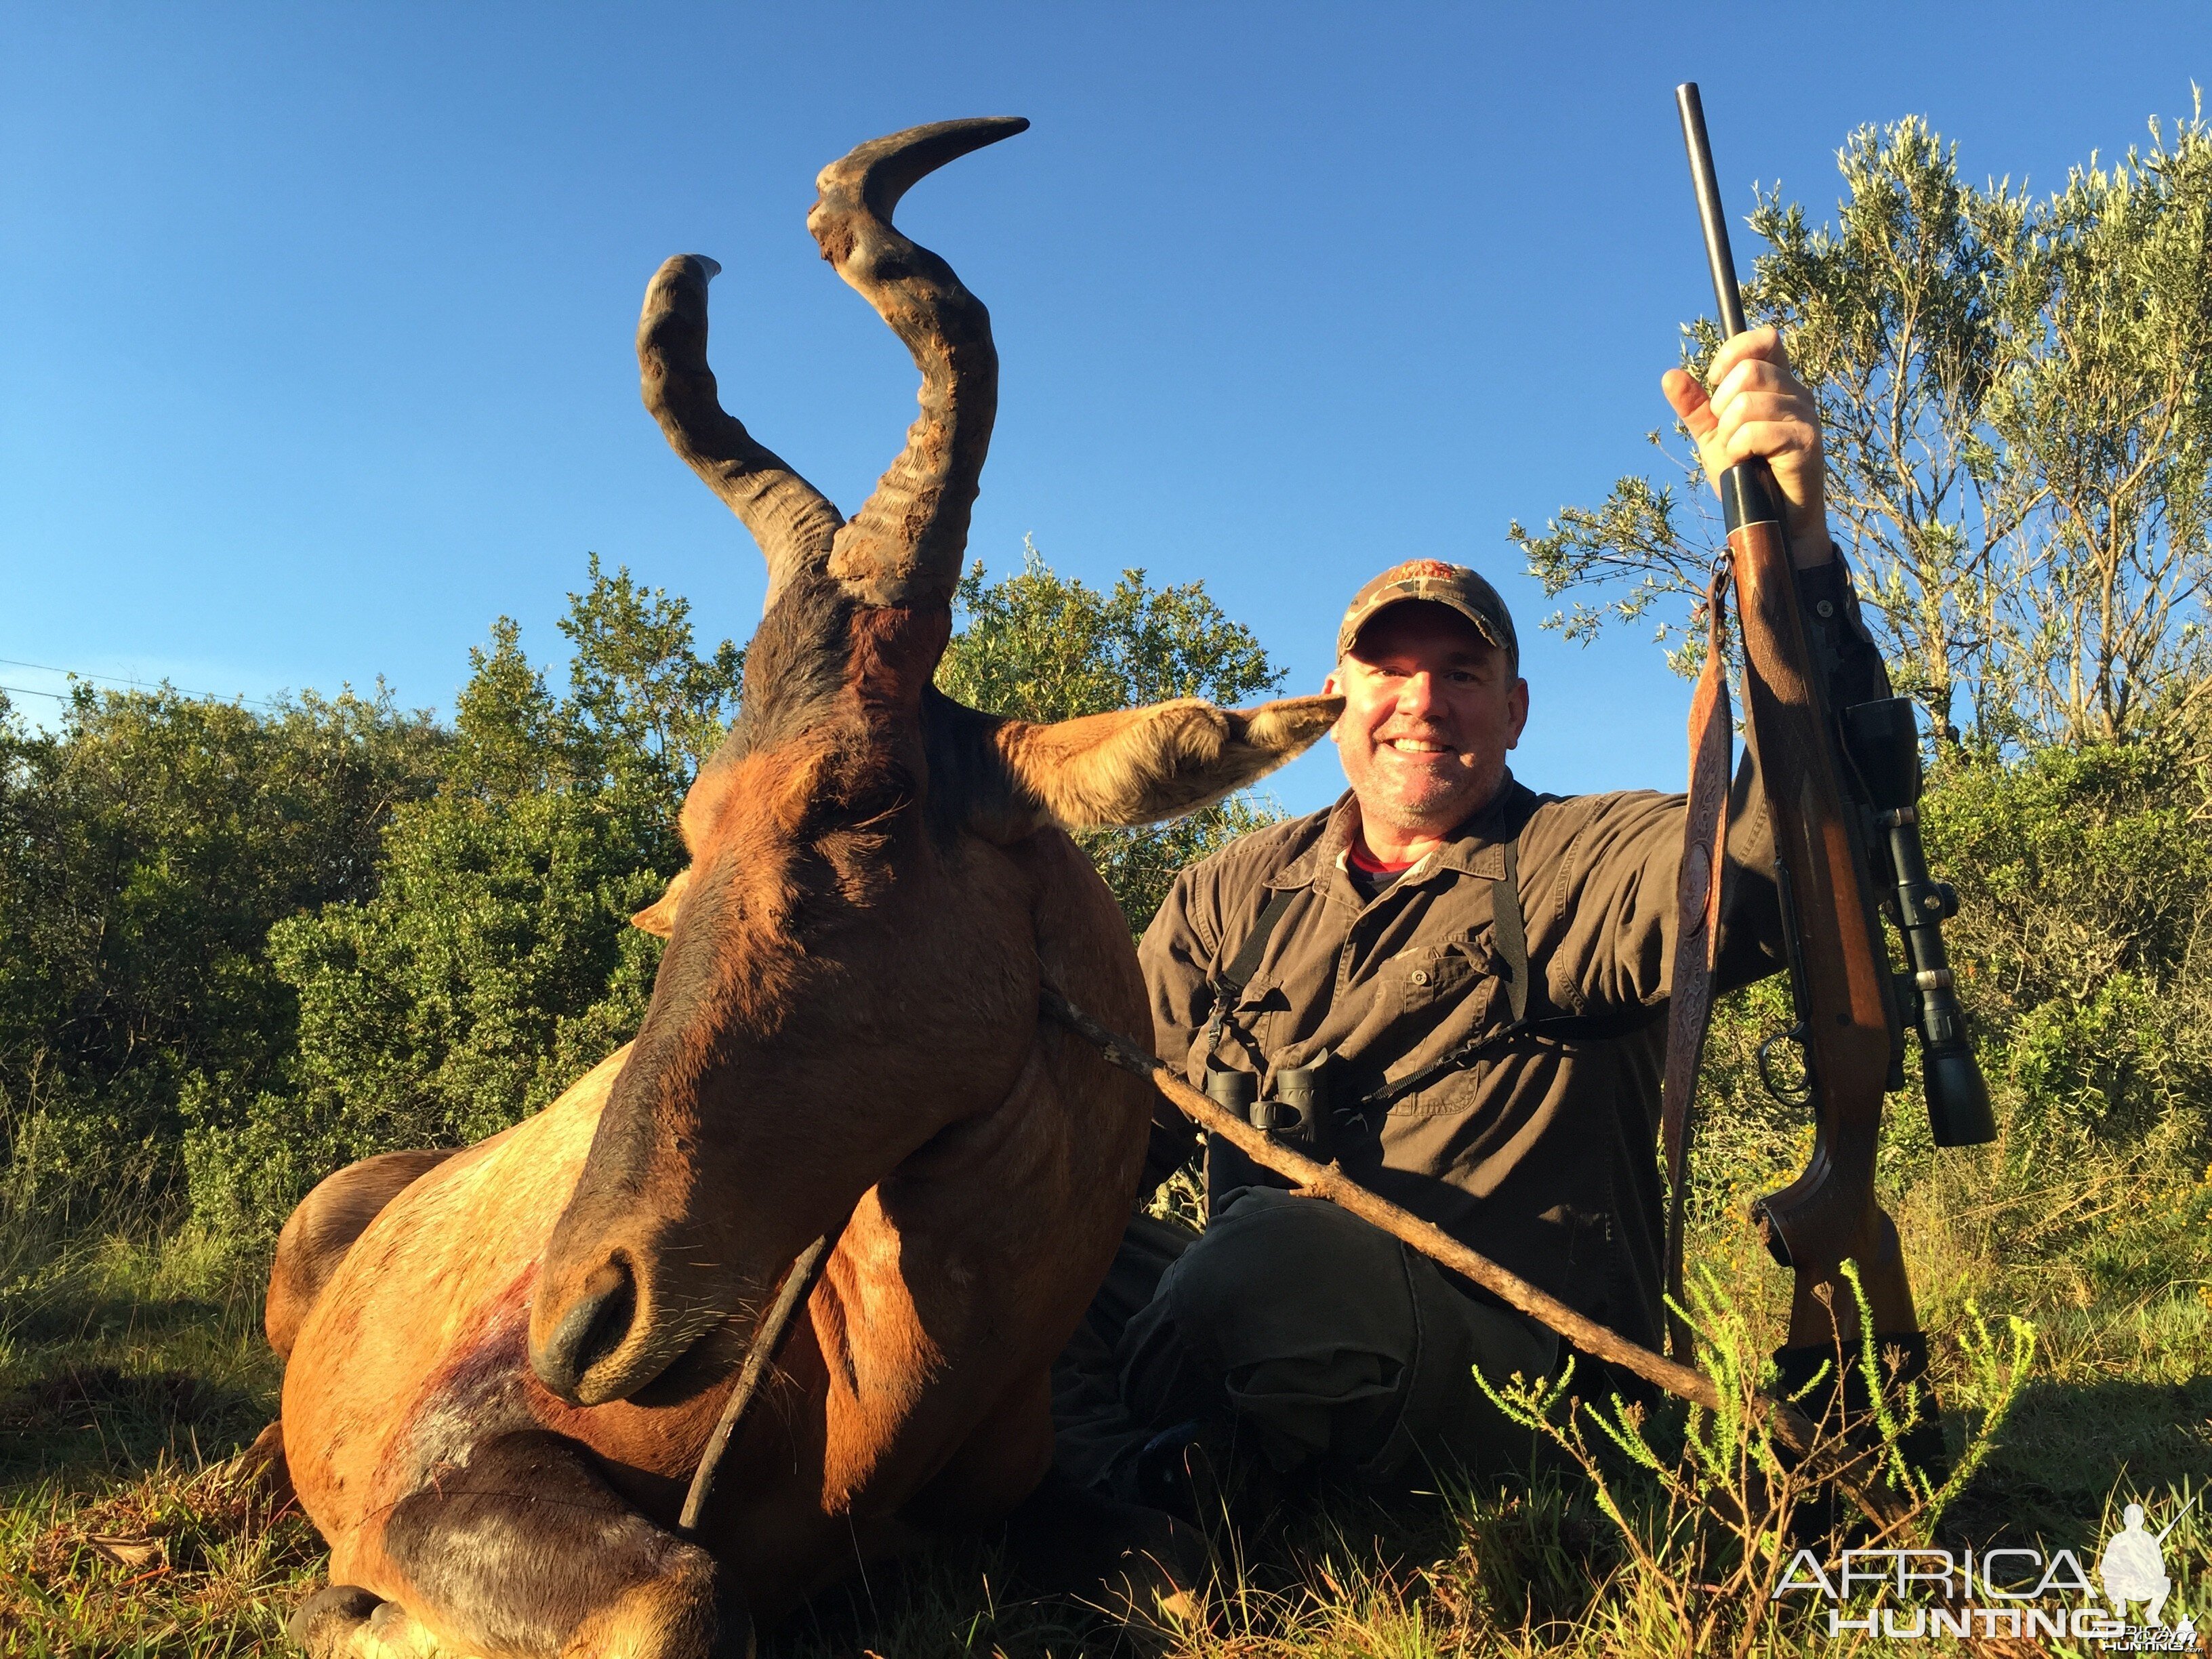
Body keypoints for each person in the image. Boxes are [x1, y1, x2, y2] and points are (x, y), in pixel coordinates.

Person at [1053, 327, 1895, 1502]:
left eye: (1461, 671)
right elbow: (1103, 1134)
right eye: (1388, 671)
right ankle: (1139, 1488)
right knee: (1003, 1220)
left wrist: (1795, 557)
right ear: (1333, 703)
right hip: (1242, 1324)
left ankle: (1133, 1470)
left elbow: (1773, 871)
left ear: (1516, 709)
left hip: (1524, 1388)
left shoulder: (1572, 860)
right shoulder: (1227, 894)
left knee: (1264, 1260)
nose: (1423, 702)